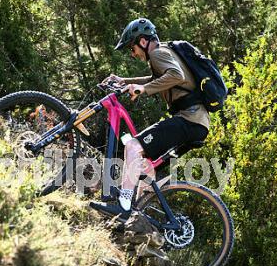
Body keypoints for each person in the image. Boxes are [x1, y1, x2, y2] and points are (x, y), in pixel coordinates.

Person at [90, 17, 210, 221]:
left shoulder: (158, 54)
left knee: (133, 146)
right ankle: (137, 217)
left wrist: (143, 89)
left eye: (132, 47)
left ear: (143, 42)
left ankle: (123, 205)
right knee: (146, 165)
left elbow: (176, 75)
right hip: (196, 123)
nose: (132, 53)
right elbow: (156, 79)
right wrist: (125, 81)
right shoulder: (164, 53)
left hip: (189, 119)